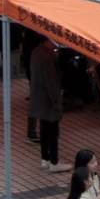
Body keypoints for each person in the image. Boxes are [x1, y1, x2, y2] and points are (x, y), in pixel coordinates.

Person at [31, 37, 68, 172]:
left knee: (44, 130)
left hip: (38, 97)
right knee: (53, 131)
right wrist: (57, 102)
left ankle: (45, 159)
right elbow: (51, 82)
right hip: (49, 101)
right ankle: (54, 161)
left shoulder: (36, 52)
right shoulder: (48, 57)